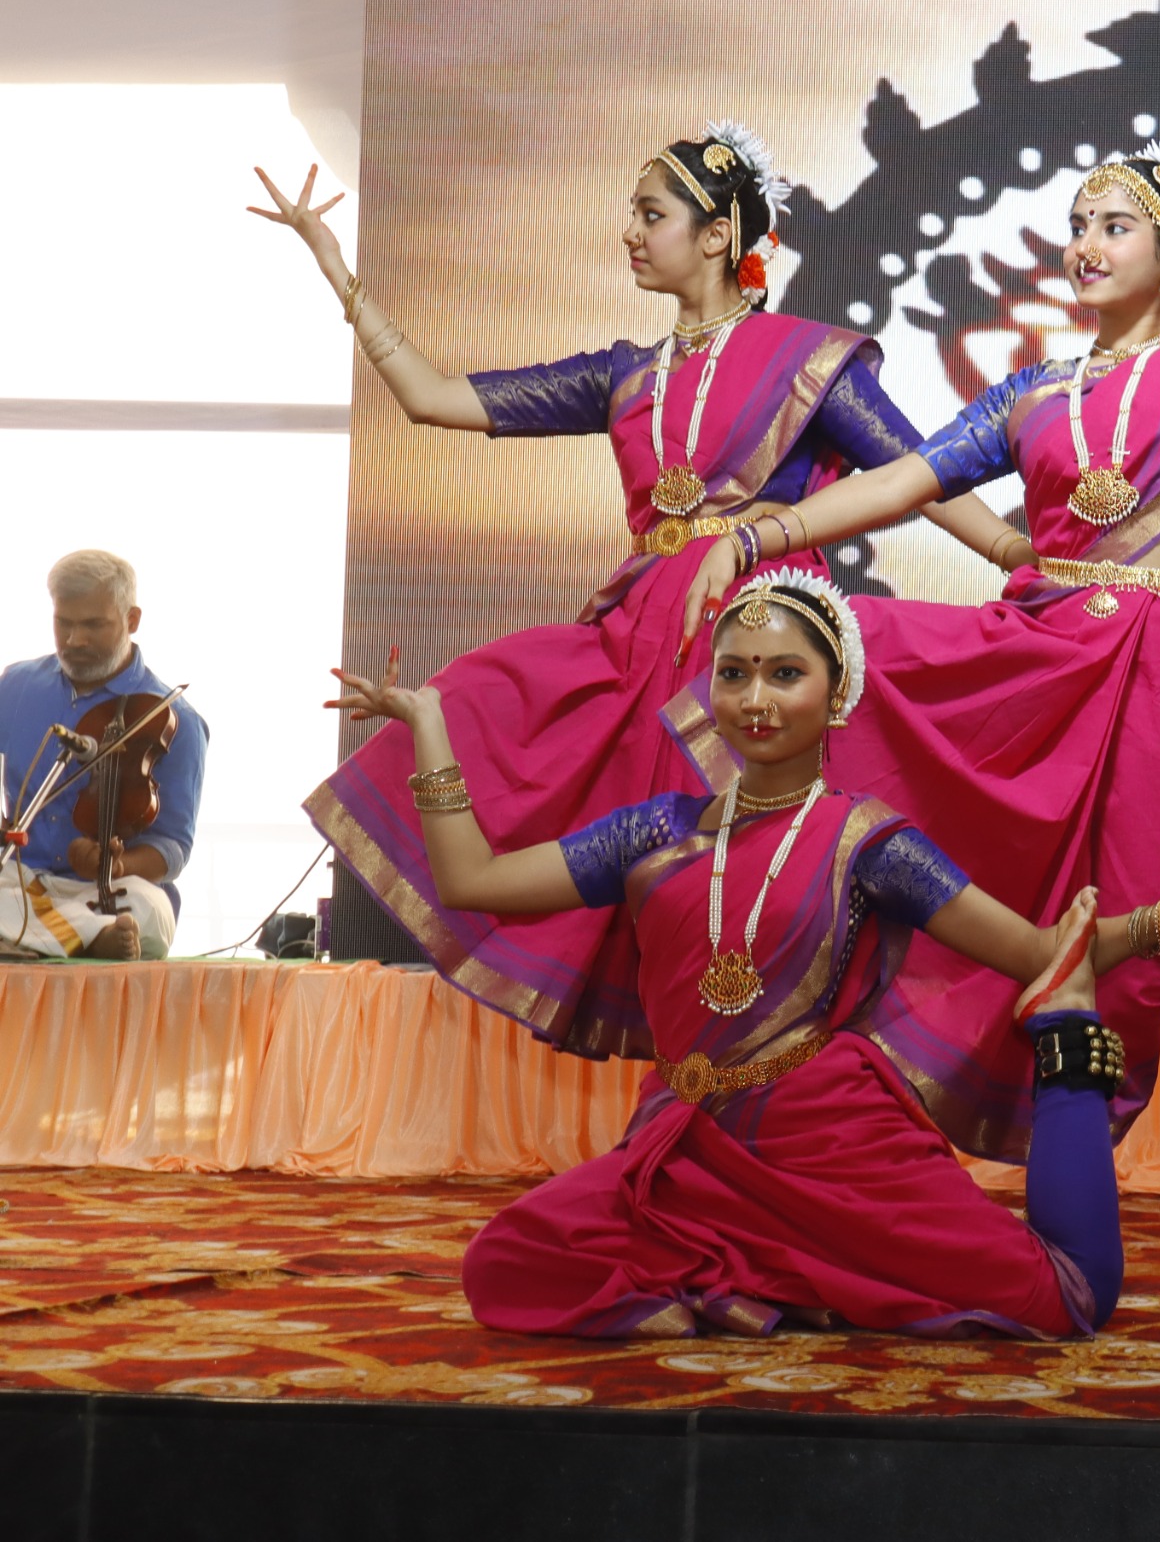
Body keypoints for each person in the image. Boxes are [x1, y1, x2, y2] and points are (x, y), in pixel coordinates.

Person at [670, 0, 1160, 1162]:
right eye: (1078, 224)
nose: (1084, 243)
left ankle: (1075, 1162)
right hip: (1037, 662)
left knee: (1132, 933)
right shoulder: (1037, 392)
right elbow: (908, 477)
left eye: (1116, 224)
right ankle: (863, 1100)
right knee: (844, 655)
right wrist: (759, 536)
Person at [325, 566, 1160, 1339]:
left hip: (833, 1141)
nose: (754, 697)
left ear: (837, 696)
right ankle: (756, 1287)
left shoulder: (869, 840)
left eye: (787, 674)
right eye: (734, 672)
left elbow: (1038, 950)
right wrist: (431, 727)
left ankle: (766, 1285)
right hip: (690, 1142)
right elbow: (474, 884)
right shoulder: (657, 832)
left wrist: (1159, 925)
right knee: (505, 1264)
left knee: (1061, 1302)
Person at [252, 124, 1015, 999]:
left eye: (651, 215)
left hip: (748, 634)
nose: (630, 233)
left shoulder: (807, 362)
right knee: (488, 705)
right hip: (638, 632)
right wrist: (338, 274)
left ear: (718, 235)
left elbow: (919, 470)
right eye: (634, 215)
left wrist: (1009, 548)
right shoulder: (623, 375)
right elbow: (431, 399)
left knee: (753, 883)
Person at [0, 551, 208, 961]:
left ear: (132, 620)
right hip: (20, 882)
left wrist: (115, 866)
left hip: (109, 894)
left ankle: (38, 937)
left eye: (93, 624)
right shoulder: (16, 686)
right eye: (65, 623)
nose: (75, 640)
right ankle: (87, 939)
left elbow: (172, 849)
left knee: (149, 910)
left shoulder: (175, 720)